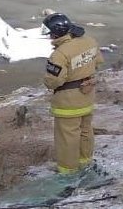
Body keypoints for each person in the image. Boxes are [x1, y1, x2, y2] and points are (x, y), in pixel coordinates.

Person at [42, 13, 103, 174]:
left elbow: (53, 81)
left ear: (55, 33)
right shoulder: (90, 42)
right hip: (87, 95)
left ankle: (68, 171)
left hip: (67, 102)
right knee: (85, 130)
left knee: (67, 137)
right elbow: (98, 62)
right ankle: (85, 162)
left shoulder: (59, 54)